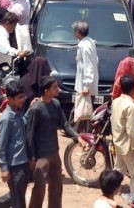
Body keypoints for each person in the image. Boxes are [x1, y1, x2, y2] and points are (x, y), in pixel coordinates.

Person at [26, 76, 81, 208]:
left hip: (54, 154)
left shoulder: (55, 104)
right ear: (46, 91)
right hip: (41, 156)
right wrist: (32, 157)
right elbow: (30, 134)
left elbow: (65, 124)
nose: (58, 89)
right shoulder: (36, 109)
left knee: (56, 188)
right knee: (39, 189)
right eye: (55, 87)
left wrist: (77, 137)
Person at [0, 81, 30, 208]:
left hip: (23, 162)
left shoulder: (18, 112)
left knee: (17, 194)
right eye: (20, 98)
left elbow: (23, 122)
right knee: (19, 201)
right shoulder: (6, 118)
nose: (23, 100)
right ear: (10, 99)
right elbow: (1, 146)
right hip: (14, 165)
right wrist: (4, 169)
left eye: (23, 96)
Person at [110, 74, 134, 194]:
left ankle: (108, 192)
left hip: (118, 143)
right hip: (128, 146)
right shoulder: (131, 106)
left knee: (118, 170)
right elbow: (132, 131)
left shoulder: (116, 102)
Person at [73, 21, 98, 125]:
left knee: (84, 112)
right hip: (84, 84)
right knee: (82, 111)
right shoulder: (88, 43)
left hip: (85, 86)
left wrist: (86, 85)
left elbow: (89, 66)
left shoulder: (85, 46)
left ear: (78, 32)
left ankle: (83, 136)